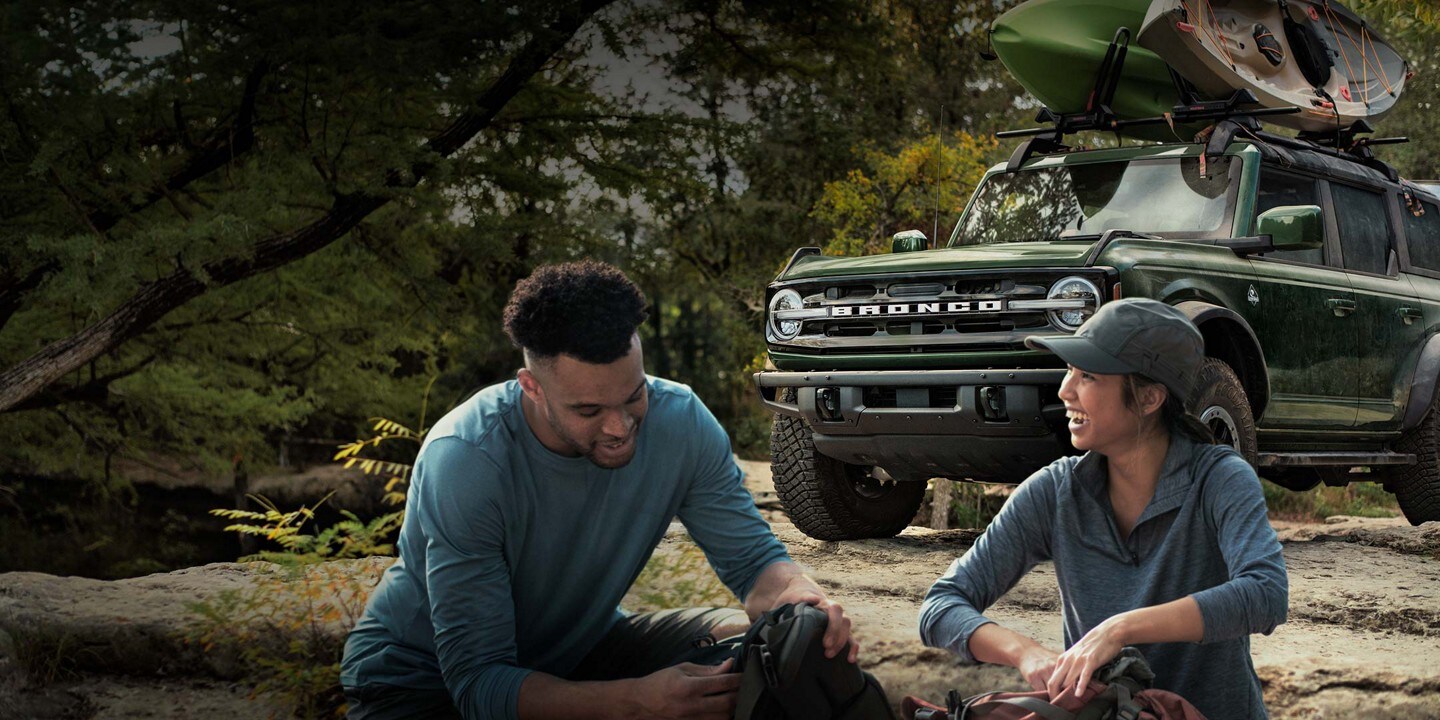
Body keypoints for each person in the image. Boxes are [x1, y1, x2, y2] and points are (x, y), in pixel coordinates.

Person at [341, 260, 857, 720]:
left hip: (580, 651)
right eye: (588, 411)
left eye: (634, 396)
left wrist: (798, 598)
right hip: (418, 685)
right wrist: (635, 702)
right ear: (532, 387)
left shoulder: (682, 423)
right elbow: (479, 685)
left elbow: (753, 566)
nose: (619, 426)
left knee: (764, 640)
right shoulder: (467, 459)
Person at [917, 298, 1288, 720]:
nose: (1064, 389)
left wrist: (1120, 629)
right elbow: (942, 605)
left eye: (1088, 375)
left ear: (1149, 398)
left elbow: (1266, 594)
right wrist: (1026, 654)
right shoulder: (1057, 491)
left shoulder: (1219, 479)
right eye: (1070, 370)